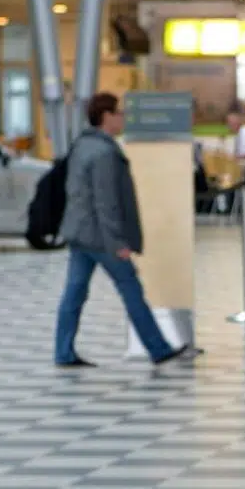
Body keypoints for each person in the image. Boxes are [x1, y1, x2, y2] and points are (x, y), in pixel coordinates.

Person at [54, 92, 192, 368]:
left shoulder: (82, 145)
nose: (123, 118)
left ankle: (63, 351)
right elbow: (106, 202)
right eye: (119, 113)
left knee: (75, 292)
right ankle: (158, 348)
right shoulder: (104, 152)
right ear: (107, 116)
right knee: (130, 288)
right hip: (101, 238)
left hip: (79, 233)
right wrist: (117, 242)